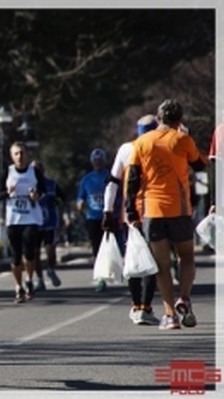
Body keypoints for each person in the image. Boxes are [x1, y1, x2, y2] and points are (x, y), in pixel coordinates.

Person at [125, 99, 207, 330]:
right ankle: (185, 298)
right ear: (179, 120)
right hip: (179, 209)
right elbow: (200, 165)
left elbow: (132, 178)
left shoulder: (141, 142)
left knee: (161, 265)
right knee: (187, 257)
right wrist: (186, 135)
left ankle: (169, 315)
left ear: (158, 118)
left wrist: (130, 209)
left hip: (152, 210)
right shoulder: (182, 139)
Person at [102, 114, 160, 325]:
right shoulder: (159, 147)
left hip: (130, 213)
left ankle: (137, 306)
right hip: (155, 211)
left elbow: (112, 182)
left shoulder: (126, 149)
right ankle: (145, 307)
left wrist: (107, 211)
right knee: (151, 260)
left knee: (135, 259)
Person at [0, 143, 45, 303]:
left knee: (29, 251)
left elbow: (43, 190)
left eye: (22, 153)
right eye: (16, 153)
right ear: (12, 156)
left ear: (27, 154)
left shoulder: (34, 172)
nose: (20, 156)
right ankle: (18, 286)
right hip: (13, 219)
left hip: (30, 218)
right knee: (16, 255)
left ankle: (29, 280)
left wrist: (36, 195)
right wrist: (8, 192)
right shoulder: (7, 172)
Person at [76, 147, 120, 292]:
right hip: (93, 218)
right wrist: (80, 203)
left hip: (110, 216)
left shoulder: (111, 175)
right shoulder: (87, 179)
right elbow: (80, 197)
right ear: (92, 162)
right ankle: (101, 278)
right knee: (96, 248)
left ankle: (116, 270)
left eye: (100, 160)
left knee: (113, 246)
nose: (98, 163)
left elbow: (119, 194)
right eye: (95, 161)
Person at [30, 160, 64, 291]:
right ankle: (39, 280)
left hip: (49, 222)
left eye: (39, 169)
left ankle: (50, 269)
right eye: (34, 170)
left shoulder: (51, 184)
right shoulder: (29, 185)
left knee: (50, 250)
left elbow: (62, 198)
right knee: (35, 253)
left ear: (43, 170)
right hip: (34, 224)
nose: (37, 172)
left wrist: (57, 200)